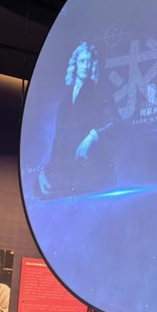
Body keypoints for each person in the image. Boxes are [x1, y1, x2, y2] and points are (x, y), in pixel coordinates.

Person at [38, 41, 115, 196]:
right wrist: (45, 172)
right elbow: (58, 142)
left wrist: (93, 136)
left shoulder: (101, 93)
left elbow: (115, 124)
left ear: (93, 65)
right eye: (82, 61)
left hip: (93, 173)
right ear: (75, 65)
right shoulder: (65, 102)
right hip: (67, 176)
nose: (85, 66)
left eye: (89, 61)